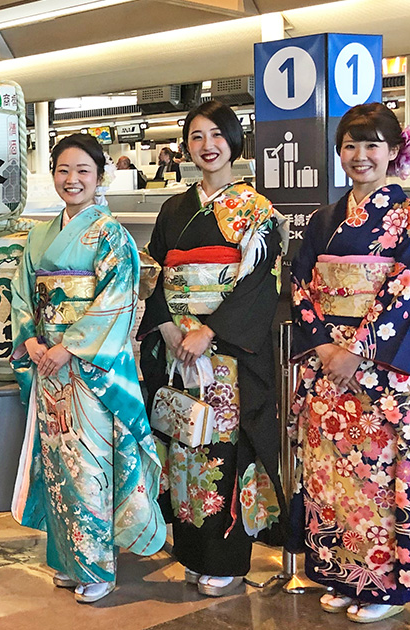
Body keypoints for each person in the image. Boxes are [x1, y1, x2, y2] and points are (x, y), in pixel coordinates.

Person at [289, 102, 410, 624]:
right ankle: (339, 572)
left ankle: (383, 587)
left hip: (377, 371)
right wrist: (322, 347)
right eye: (350, 145)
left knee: (380, 477)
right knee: (332, 473)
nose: (360, 156)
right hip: (327, 368)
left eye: (371, 144)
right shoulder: (322, 220)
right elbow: (300, 284)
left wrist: (355, 350)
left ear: (393, 152)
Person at [138, 100, 286, 597]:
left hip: (224, 354)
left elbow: (261, 280)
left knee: (222, 449)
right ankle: (192, 554)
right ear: (185, 147)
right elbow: (155, 274)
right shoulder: (173, 208)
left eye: (216, 135)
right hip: (178, 348)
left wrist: (211, 332)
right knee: (182, 445)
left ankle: (226, 558)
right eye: (196, 136)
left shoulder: (256, 210)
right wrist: (167, 328)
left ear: (234, 142)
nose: (207, 146)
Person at [10, 133, 166, 605]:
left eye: (83, 171)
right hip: (48, 364)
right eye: (63, 170)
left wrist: (70, 347)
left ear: (100, 177)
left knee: (88, 464)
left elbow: (116, 300)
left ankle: (97, 566)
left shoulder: (111, 234)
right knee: (57, 464)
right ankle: (66, 559)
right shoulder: (39, 233)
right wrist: (33, 340)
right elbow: (22, 295)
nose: (72, 179)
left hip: (87, 370)